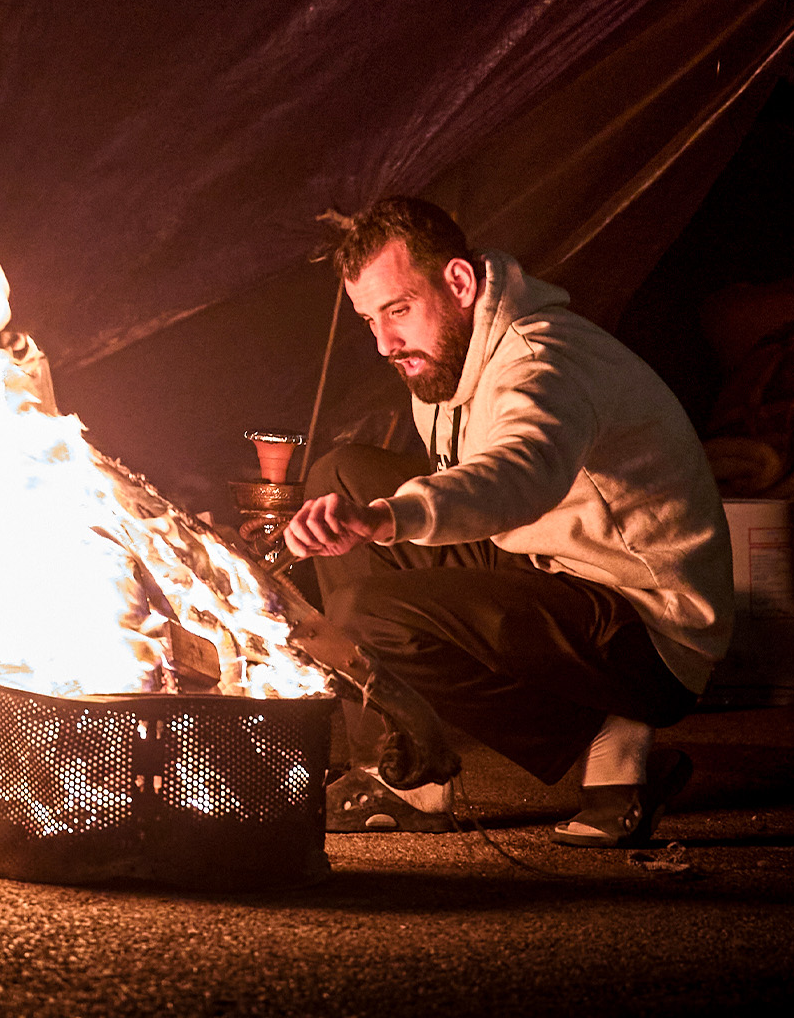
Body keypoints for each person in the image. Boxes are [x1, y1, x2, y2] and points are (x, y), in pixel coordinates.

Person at [282, 196, 735, 848]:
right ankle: (403, 774)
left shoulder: (540, 361)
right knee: (338, 475)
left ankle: (611, 736)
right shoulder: (450, 353)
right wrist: (365, 513)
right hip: (553, 569)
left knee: (364, 614)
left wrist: (388, 516)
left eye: (399, 309)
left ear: (460, 283)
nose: (384, 342)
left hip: (648, 625)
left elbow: (519, 474)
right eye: (369, 319)